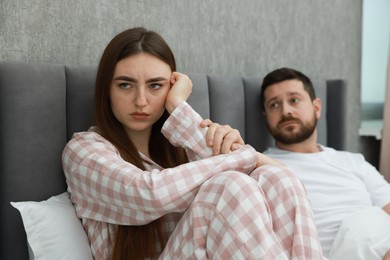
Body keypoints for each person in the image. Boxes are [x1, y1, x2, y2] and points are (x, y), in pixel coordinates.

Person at [62, 28, 324, 260]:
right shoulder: (84, 151)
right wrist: (239, 156)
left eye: (155, 86)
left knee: (276, 178)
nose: (141, 100)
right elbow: (148, 194)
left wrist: (178, 110)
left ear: (170, 88)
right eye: (125, 85)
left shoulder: (182, 145)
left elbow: (283, 176)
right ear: (106, 89)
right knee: (229, 185)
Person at [259, 67, 390, 260]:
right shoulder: (263, 168)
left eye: (294, 100)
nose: (285, 110)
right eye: (274, 105)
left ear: (317, 107)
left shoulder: (353, 161)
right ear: (266, 117)